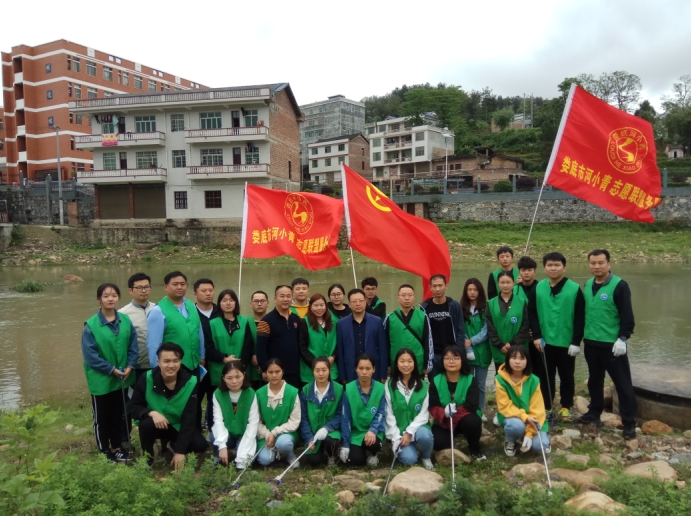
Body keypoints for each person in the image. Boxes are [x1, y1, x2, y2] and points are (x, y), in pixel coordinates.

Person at [579, 249, 637, 439]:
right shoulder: (588, 284)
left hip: (612, 345)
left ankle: (629, 423)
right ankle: (594, 412)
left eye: (600, 263)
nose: (596, 266)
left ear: (608, 264)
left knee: (622, 383)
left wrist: (623, 338)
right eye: (593, 263)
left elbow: (627, 315)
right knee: (595, 380)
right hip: (591, 342)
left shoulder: (619, 286)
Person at [82, 283, 138, 463]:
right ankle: (104, 450)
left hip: (122, 377)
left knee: (118, 415)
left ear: (118, 298)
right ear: (98, 299)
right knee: (102, 417)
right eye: (106, 296)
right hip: (101, 379)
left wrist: (130, 365)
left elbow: (133, 346)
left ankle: (117, 447)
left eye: (114, 295)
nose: (110, 299)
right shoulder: (91, 325)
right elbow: (90, 356)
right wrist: (111, 369)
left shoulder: (125, 320)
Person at [130, 343, 209, 469]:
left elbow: (189, 419)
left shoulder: (191, 382)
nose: (171, 365)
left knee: (200, 445)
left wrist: (180, 451)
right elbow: (133, 407)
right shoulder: (147, 378)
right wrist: (152, 413)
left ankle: (171, 445)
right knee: (146, 424)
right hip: (155, 424)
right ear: (158, 362)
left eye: (175, 361)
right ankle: (148, 456)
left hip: (177, 425)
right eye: (166, 361)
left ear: (180, 361)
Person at [528, 252, 585, 421]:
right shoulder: (539, 287)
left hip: (566, 342)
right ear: (545, 268)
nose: (553, 268)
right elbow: (532, 313)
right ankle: (546, 406)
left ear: (564, 267)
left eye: (557, 265)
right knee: (545, 376)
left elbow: (580, 317)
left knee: (567, 376)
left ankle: (566, 407)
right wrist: (536, 335)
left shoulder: (574, 289)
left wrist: (576, 341)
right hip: (544, 342)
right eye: (550, 265)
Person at [487, 270, 530, 426]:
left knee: (519, 380)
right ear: (498, 284)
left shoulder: (522, 301)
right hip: (499, 349)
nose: (505, 285)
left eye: (508, 282)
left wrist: (512, 344)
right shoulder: (490, 303)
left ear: (513, 283)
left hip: (518, 348)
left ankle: (520, 410)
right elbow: (490, 326)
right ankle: (501, 412)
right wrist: (499, 344)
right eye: (502, 282)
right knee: (502, 381)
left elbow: (525, 325)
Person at [429, 345, 485, 461]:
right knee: (438, 443)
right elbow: (433, 406)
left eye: (456, 358)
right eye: (447, 358)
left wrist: (454, 415)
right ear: (442, 360)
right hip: (444, 421)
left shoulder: (470, 379)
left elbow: (472, 405)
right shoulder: (436, 380)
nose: (451, 361)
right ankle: (451, 440)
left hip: (466, 418)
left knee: (472, 422)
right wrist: (444, 413)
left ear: (462, 360)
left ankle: (474, 449)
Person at [207, 289, 254, 427]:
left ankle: (241, 428)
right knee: (219, 403)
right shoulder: (212, 324)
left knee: (240, 402)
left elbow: (248, 346)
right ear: (219, 303)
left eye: (231, 300)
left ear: (236, 303)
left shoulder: (244, 321)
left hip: (240, 369)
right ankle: (215, 430)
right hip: (219, 370)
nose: (228, 303)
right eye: (224, 300)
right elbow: (208, 348)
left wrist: (241, 365)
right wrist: (224, 359)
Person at [495, 345, 550, 457]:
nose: (517, 362)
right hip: (512, 416)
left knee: (540, 446)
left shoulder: (534, 380)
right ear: (508, 360)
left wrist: (529, 434)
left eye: (521, 358)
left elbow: (537, 409)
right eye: (514, 358)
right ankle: (510, 440)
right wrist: (525, 417)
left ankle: (533, 435)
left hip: (533, 418)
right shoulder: (500, 379)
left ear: (527, 361)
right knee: (515, 426)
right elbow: (505, 406)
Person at [385, 348, 434, 469]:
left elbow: (424, 414)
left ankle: (426, 456)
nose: (406, 365)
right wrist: (396, 437)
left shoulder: (423, 386)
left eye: (409, 361)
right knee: (409, 459)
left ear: (414, 363)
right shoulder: (389, 386)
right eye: (402, 361)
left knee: (425, 436)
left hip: (418, 428)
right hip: (399, 432)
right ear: (397, 364)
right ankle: (411, 451)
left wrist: (409, 432)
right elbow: (389, 414)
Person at [146, 271, 205, 373]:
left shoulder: (191, 305)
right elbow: (153, 345)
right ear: (166, 287)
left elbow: (199, 332)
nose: (179, 287)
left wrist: (202, 355)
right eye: (175, 284)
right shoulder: (158, 311)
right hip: (171, 369)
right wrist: (157, 370)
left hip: (194, 365)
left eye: (182, 284)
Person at [210, 361, 259, 469]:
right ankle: (219, 455)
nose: (234, 381)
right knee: (213, 435)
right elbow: (218, 421)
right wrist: (222, 446)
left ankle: (235, 455)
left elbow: (253, 423)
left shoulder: (251, 393)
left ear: (244, 375)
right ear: (223, 378)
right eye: (229, 378)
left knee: (246, 460)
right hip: (227, 433)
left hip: (244, 433)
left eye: (238, 377)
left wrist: (242, 458)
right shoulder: (218, 394)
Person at [340, 353, 386, 467]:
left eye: (368, 368)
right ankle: (360, 452)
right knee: (356, 461)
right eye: (361, 368)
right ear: (356, 369)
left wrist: (373, 430)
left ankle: (374, 454)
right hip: (356, 432)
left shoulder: (380, 388)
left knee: (374, 445)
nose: (364, 372)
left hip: (374, 431)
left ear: (374, 369)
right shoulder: (349, 389)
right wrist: (345, 444)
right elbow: (345, 418)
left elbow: (381, 413)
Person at [255, 358, 301, 467]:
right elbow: (256, 420)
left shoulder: (292, 392)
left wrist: (274, 433)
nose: (274, 375)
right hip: (266, 435)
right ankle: (276, 453)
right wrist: (267, 434)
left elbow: (295, 421)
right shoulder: (259, 393)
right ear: (265, 373)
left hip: (286, 433)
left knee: (283, 443)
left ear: (283, 372)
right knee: (264, 460)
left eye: (277, 371)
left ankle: (290, 455)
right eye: (270, 372)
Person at [336, 289, 388, 383]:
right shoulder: (341, 324)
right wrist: (342, 376)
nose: (358, 304)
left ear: (365, 302)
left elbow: (383, 349)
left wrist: (383, 374)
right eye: (354, 301)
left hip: (372, 370)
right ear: (349, 304)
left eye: (361, 301)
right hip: (351, 370)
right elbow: (340, 351)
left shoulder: (377, 321)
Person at [299, 356, 343, 467]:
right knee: (314, 461)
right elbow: (303, 418)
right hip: (313, 434)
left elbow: (340, 415)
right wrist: (309, 438)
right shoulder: (305, 390)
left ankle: (332, 455)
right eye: (317, 370)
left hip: (331, 432)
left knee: (331, 442)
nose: (321, 374)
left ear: (329, 370)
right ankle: (320, 451)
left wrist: (326, 428)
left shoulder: (339, 389)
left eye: (324, 370)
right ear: (312, 372)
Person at [257, 285, 303, 389]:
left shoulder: (296, 319)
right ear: (275, 298)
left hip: (294, 370)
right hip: (274, 371)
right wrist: (264, 369)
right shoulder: (266, 321)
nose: (285, 299)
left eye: (288, 296)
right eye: (282, 296)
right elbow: (260, 348)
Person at [420, 274, 466, 377]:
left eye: (440, 285)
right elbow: (422, 334)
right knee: (435, 383)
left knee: (452, 382)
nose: (437, 289)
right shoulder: (424, 308)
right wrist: (427, 357)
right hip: (433, 355)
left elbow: (460, 330)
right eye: (434, 286)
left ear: (446, 286)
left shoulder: (454, 305)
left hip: (451, 353)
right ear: (430, 287)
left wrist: (458, 352)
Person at [384, 284, 433, 375]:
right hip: (396, 363)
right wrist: (387, 364)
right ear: (398, 298)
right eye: (403, 295)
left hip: (417, 362)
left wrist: (428, 364)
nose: (407, 298)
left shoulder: (423, 316)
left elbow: (428, 341)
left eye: (410, 295)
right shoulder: (390, 317)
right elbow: (385, 343)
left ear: (414, 297)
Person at [460, 278, 490, 421]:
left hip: (482, 351)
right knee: (466, 382)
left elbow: (486, 330)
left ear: (480, 291)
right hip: (466, 351)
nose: (472, 292)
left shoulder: (486, 308)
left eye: (475, 290)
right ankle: (467, 409)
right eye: (469, 290)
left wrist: (472, 341)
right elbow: (460, 328)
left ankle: (480, 409)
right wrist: (466, 343)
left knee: (480, 384)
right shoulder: (460, 308)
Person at [119, 272, 155, 382]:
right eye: (139, 288)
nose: (144, 290)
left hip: (157, 363)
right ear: (130, 290)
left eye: (146, 287)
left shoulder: (158, 309)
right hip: (135, 366)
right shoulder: (122, 314)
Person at [194, 278, 219, 430]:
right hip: (198, 363)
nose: (208, 293)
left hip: (217, 364)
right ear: (195, 294)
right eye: (204, 291)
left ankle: (212, 428)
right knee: (195, 398)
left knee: (215, 398)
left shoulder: (221, 311)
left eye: (210, 290)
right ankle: (195, 430)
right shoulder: (190, 313)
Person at [299, 294, 338, 384]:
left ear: (326, 306)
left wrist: (333, 357)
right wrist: (316, 364)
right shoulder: (304, 322)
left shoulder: (334, 321)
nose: (319, 308)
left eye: (321, 305)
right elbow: (302, 348)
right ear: (310, 307)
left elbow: (339, 343)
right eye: (315, 305)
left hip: (331, 367)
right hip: (311, 369)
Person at [248, 291, 269, 390]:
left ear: (268, 303)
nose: (259, 304)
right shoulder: (245, 323)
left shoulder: (272, 321)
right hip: (250, 368)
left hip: (269, 367)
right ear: (251, 304)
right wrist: (251, 355)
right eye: (256, 301)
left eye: (262, 301)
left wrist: (264, 362)